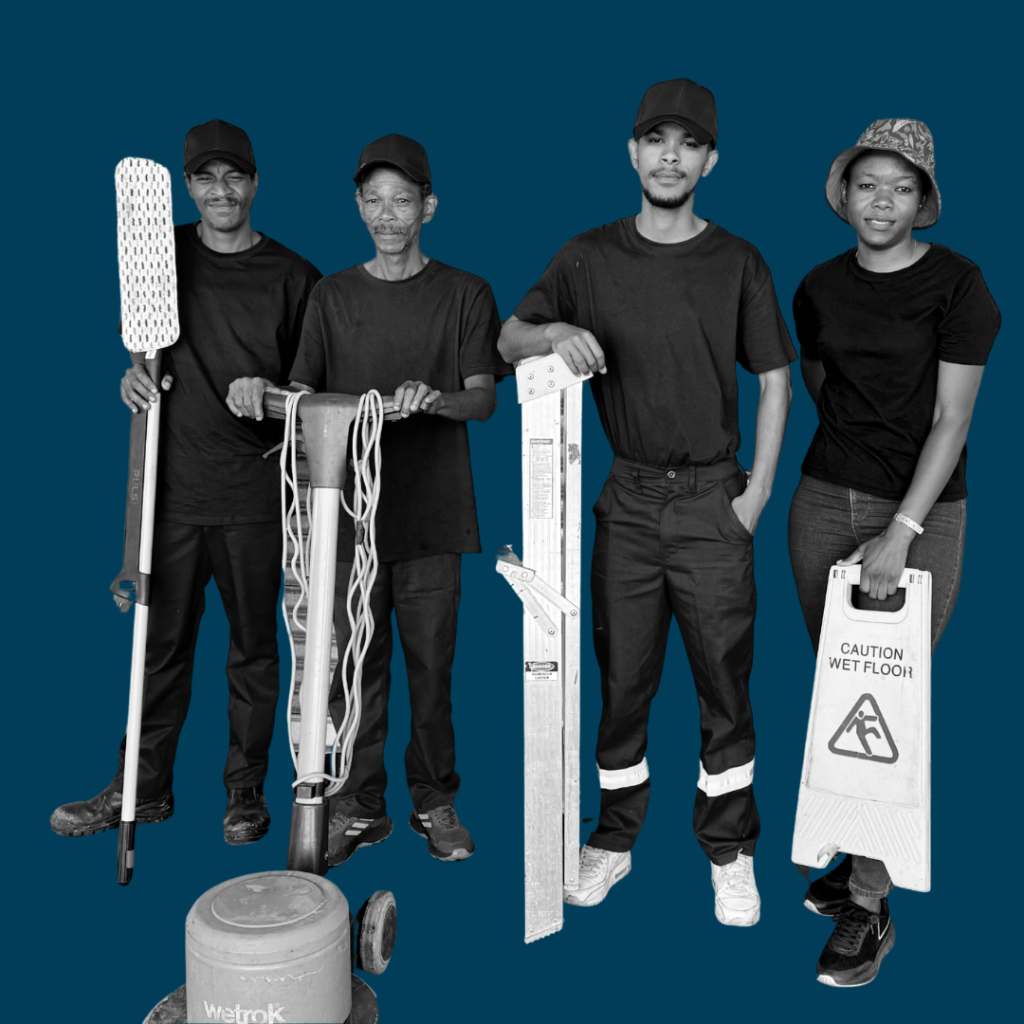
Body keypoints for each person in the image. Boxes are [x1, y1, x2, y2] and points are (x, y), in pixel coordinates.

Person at [498, 79, 794, 924]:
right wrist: (553, 331)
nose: (671, 156)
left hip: (713, 501)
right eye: (655, 140)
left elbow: (774, 380)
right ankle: (615, 841)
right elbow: (508, 337)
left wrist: (757, 494)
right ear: (632, 152)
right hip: (626, 500)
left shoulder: (738, 261)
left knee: (724, 686)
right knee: (622, 680)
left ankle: (730, 852)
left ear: (710, 160)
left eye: (688, 143)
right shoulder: (588, 257)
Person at [231, 134, 510, 866]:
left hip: (434, 515)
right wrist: (262, 393)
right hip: (346, 520)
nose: (388, 215)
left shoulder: (466, 293)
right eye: (374, 202)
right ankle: (359, 807)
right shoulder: (332, 295)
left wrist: (433, 398)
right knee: (355, 667)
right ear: (359, 207)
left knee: (431, 669)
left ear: (429, 206)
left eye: (403, 201)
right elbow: (302, 394)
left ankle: (436, 802)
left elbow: (483, 400)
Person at [50, 120, 322, 846]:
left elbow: (314, 387)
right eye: (206, 178)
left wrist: (271, 392)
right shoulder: (157, 255)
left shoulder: (295, 278)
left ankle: (244, 796)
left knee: (254, 654)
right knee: (157, 650)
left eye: (235, 176)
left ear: (256, 184)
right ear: (189, 185)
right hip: (169, 498)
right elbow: (141, 346)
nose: (222, 190)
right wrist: (132, 375)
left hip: (258, 499)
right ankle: (141, 791)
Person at [788, 118, 1000, 986]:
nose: (882, 201)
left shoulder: (959, 285)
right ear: (845, 195)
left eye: (901, 187)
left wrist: (901, 530)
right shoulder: (815, 286)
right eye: (867, 184)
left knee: (886, 705)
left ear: (925, 201)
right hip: (821, 499)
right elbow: (819, 382)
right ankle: (849, 859)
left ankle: (869, 908)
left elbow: (952, 419)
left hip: (919, 514)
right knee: (840, 698)